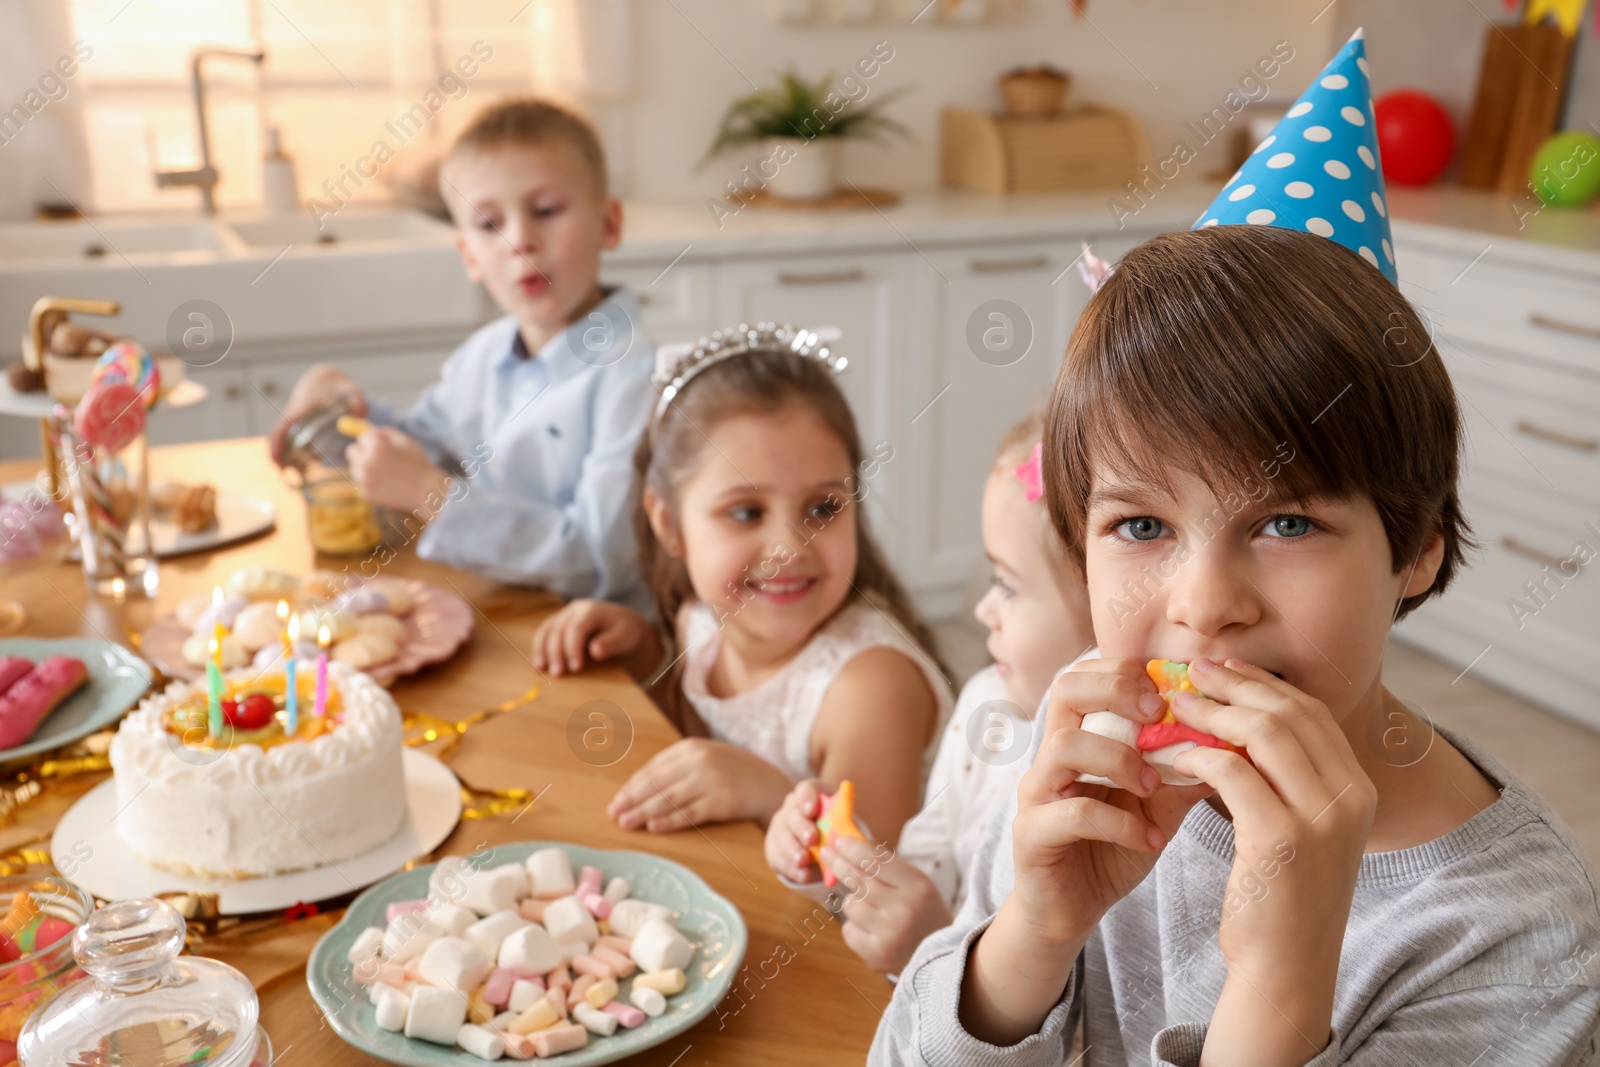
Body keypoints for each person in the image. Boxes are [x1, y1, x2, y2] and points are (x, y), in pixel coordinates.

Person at [529, 324, 951, 846]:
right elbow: (694, 735)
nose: (789, 549)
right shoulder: (702, 620)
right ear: (668, 524)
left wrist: (770, 796)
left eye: (823, 508)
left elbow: (863, 898)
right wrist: (642, 653)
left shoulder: (868, 687)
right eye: (747, 512)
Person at [269, 98, 653, 605]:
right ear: (470, 256)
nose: (520, 241)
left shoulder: (634, 377)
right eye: (490, 224)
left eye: (545, 211)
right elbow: (418, 452)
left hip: (595, 643)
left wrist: (431, 494)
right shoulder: (483, 356)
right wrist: (342, 417)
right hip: (499, 607)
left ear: (608, 224)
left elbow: (597, 559)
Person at [764, 410, 1096, 976]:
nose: (981, 610)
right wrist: (840, 855)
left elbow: (1070, 1018)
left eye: (1008, 586)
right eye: (990, 579)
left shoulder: (1119, 791)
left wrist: (937, 946)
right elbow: (924, 872)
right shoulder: (984, 703)